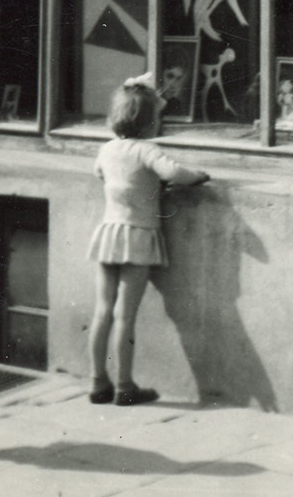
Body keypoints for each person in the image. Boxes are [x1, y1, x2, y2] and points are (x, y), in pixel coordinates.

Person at [87, 72, 210, 406]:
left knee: (102, 311)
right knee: (125, 316)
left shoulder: (107, 149)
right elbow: (173, 172)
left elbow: (100, 174)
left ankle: (98, 381)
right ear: (149, 122)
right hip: (138, 236)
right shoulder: (147, 150)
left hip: (109, 233)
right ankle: (124, 385)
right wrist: (198, 176)